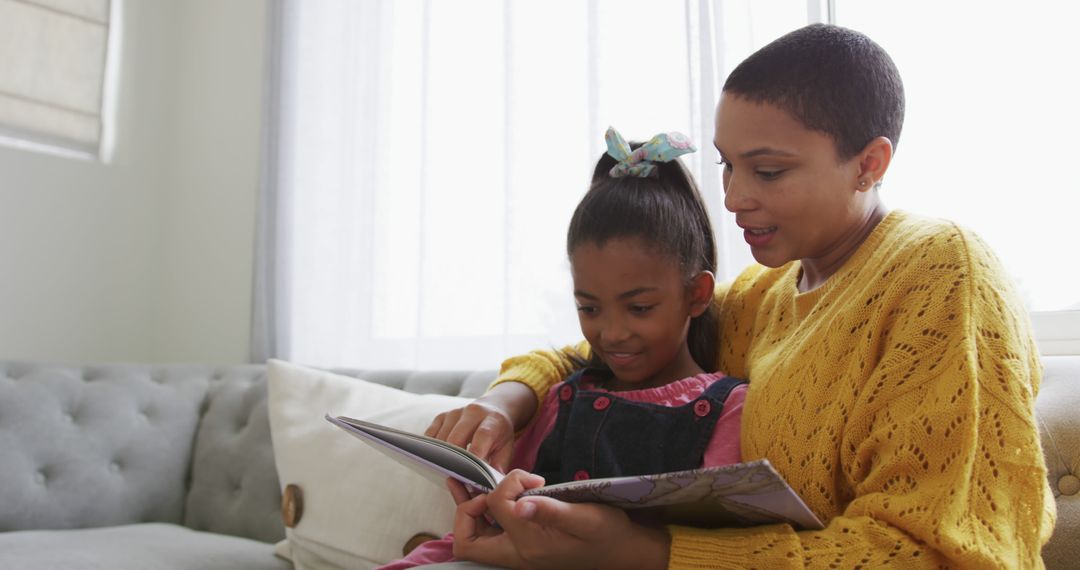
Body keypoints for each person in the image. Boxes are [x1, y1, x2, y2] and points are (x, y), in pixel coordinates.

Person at [432, 23, 1056, 569]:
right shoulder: (769, 293)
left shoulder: (942, 273)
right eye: (727, 166)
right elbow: (600, 347)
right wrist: (504, 402)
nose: (732, 199)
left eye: (769, 171)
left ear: (870, 163)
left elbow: (932, 554)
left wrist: (643, 553)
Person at [379, 127, 750, 569]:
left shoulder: (730, 411)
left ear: (697, 294)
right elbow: (492, 529)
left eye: (640, 307)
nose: (611, 334)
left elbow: (719, 550)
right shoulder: (558, 400)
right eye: (589, 308)